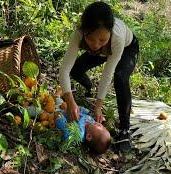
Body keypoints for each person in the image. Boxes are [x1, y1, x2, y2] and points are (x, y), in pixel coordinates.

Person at [58, 1, 139, 152]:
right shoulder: (79, 34)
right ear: (84, 32)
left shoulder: (117, 38)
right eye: (91, 39)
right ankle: (89, 87)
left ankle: (125, 130)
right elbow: (64, 70)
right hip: (104, 50)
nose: (95, 44)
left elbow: (107, 74)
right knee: (75, 69)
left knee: (120, 77)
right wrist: (69, 101)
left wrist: (98, 106)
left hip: (127, 49)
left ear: (110, 32)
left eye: (101, 39)